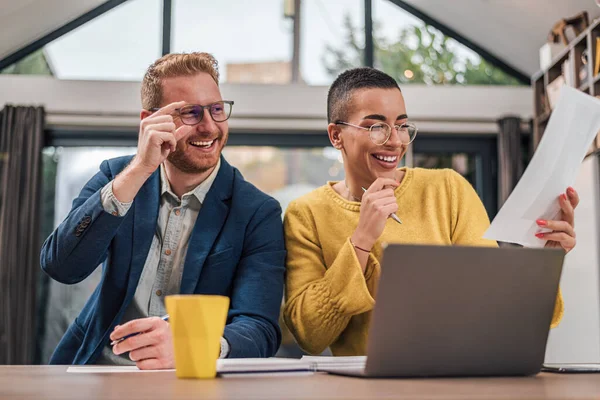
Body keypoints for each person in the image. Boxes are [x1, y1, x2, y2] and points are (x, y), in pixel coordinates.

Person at [282, 67, 578, 356]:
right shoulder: (305, 214)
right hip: (364, 388)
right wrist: (361, 240)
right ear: (336, 136)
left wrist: (545, 261)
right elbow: (310, 335)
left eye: (400, 125)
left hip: (456, 380)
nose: (395, 141)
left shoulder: (447, 189)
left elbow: (496, 305)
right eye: (376, 127)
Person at [40, 52, 286, 368]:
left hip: (192, 378)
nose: (209, 127)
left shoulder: (257, 212)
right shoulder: (117, 177)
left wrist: (192, 347)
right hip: (97, 371)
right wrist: (141, 168)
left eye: (216, 109)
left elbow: (260, 327)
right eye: (190, 113)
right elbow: (62, 266)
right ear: (150, 121)